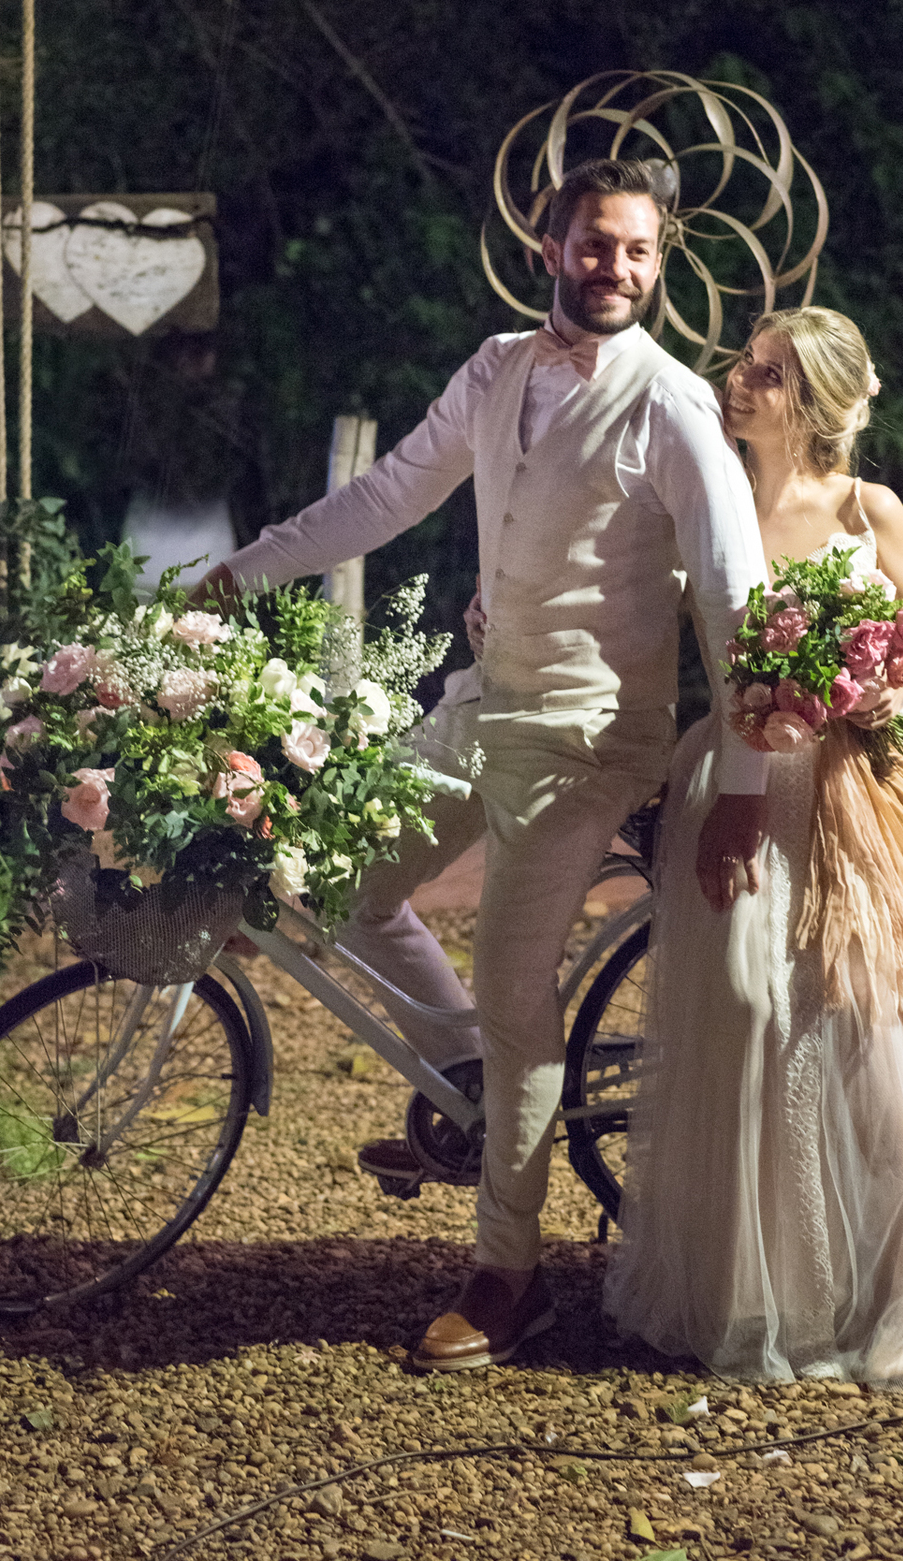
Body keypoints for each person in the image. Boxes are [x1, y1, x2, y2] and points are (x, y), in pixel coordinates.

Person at [192, 157, 770, 1370]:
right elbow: (393, 492)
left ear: (659, 266)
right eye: (595, 244)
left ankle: (511, 1273)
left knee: (521, 1001)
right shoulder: (499, 365)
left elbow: (732, 598)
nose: (615, 267)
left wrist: (745, 790)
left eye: (638, 251)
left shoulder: (670, 405)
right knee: (335, 885)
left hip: (588, 741)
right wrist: (244, 569)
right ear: (548, 249)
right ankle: (467, 1078)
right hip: (479, 708)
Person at [605, 307, 903, 1381]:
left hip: (873, 776)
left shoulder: (867, 506)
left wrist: (881, 681)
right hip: (744, 776)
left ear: (810, 403)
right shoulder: (701, 499)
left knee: (881, 1027)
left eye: (765, 373)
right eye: (745, 363)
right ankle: (772, 1288)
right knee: (751, 1010)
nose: (737, 379)